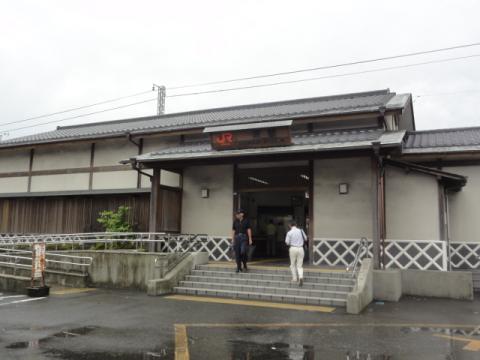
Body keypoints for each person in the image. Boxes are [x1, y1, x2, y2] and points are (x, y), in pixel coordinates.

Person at [285, 221, 307, 286]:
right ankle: (300, 277)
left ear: (289, 225)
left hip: (293, 248)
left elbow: (287, 242)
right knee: (299, 265)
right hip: (301, 248)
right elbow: (305, 238)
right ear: (296, 225)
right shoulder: (301, 231)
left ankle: (294, 278)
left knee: (292, 264)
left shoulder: (289, 232)